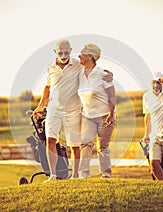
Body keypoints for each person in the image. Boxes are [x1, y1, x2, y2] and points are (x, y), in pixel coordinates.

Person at [33, 39, 112, 181]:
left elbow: (93, 68)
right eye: (60, 53)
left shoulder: (77, 64)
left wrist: (110, 75)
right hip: (54, 109)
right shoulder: (50, 68)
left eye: (66, 52)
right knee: (51, 140)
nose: (63, 55)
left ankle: (75, 176)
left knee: (75, 145)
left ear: (70, 50)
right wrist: (40, 106)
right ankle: (53, 175)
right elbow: (47, 88)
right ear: (55, 52)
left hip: (73, 111)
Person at [78, 43, 116, 178]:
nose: (79, 56)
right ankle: (83, 175)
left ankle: (106, 175)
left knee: (102, 147)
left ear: (90, 56)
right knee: (85, 143)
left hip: (104, 116)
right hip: (87, 116)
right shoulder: (79, 74)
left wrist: (111, 114)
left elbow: (112, 95)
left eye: (82, 53)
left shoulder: (102, 74)